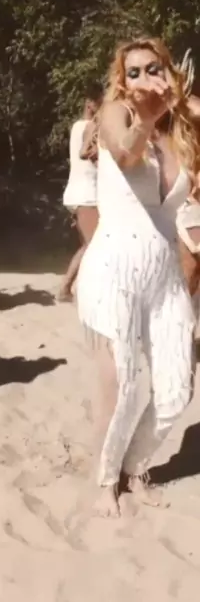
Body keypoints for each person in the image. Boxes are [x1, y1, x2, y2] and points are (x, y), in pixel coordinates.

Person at [76, 37, 197, 517]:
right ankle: (107, 480)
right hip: (115, 267)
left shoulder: (180, 130)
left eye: (154, 68)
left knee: (177, 388)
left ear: (168, 72)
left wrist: (178, 103)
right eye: (134, 72)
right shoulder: (115, 114)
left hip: (164, 273)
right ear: (122, 81)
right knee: (125, 381)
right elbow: (126, 154)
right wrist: (147, 114)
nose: (144, 78)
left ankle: (136, 465)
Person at [59, 84, 103, 301]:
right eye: (100, 103)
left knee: (88, 245)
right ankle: (78, 290)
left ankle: (67, 288)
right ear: (90, 104)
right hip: (86, 194)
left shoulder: (77, 126)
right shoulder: (89, 127)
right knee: (96, 245)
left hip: (78, 192)